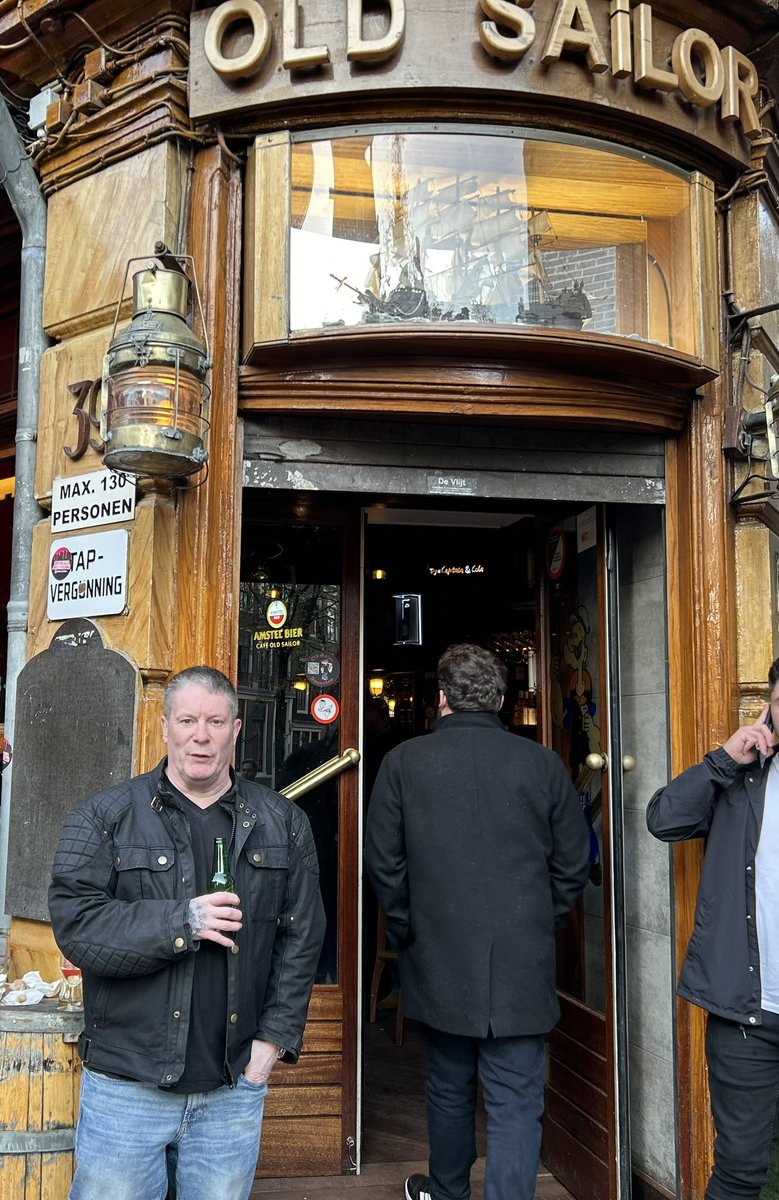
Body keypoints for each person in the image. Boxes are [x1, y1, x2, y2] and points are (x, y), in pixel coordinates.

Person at [48, 665, 325, 1200]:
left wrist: (272, 1043)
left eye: (216, 721)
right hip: (127, 1085)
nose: (201, 735)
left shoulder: (283, 823)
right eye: (188, 720)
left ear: (236, 730)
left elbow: (301, 938)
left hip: (231, 1086)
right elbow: (77, 926)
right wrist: (183, 921)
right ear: (165, 726)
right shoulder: (104, 817)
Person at [365, 643, 590, 1200]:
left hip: (436, 952)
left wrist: (406, 925)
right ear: (502, 701)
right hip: (523, 954)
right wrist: (547, 918)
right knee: (517, 1097)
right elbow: (574, 860)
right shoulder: (542, 763)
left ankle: (446, 1192)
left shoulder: (403, 762)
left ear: (441, 699)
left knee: (448, 1085)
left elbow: (382, 861)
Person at [647, 657, 779, 1200]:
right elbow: (664, 819)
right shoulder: (742, 776)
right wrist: (723, 759)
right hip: (749, 1011)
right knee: (740, 1169)